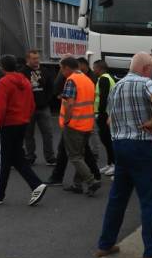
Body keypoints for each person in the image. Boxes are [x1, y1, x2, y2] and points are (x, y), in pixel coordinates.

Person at [95, 52, 152, 258]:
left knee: (118, 197)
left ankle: (105, 244)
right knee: (149, 199)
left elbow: (110, 120)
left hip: (120, 146)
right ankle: (151, 251)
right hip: (142, 146)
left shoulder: (117, 86)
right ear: (147, 69)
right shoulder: (146, 83)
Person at [0, 54, 47, 206]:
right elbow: (31, 104)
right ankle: (35, 184)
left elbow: (1, 107)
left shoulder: (4, 81)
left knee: (2, 160)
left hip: (6, 124)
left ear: (2, 66)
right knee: (16, 157)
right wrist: (26, 118)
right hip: (22, 123)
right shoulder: (24, 80)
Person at [57, 57, 101, 196]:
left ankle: (91, 181)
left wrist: (66, 121)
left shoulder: (71, 80)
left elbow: (70, 104)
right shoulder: (87, 80)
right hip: (87, 124)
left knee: (75, 157)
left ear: (67, 68)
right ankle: (77, 184)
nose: (61, 72)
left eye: (61, 68)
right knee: (80, 155)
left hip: (74, 124)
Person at [21, 49, 57, 166]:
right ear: (28, 59)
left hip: (43, 107)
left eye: (38, 58)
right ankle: (30, 156)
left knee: (48, 133)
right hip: (28, 108)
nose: (37, 61)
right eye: (34, 58)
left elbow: (51, 88)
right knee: (28, 134)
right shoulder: (22, 72)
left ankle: (50, 157)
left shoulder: (45, 71)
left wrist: (46, 100)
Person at [93, 60, 116, 176]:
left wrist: (100, 112)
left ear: (99, 68)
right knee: (106, 139)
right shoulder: (108, 78)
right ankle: (110, 163)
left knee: (107, 139)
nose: (93, 70)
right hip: (106, 112)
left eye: (94, 68)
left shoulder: (104, 79)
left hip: (104, 113)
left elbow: (104, 97)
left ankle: (114, 164)